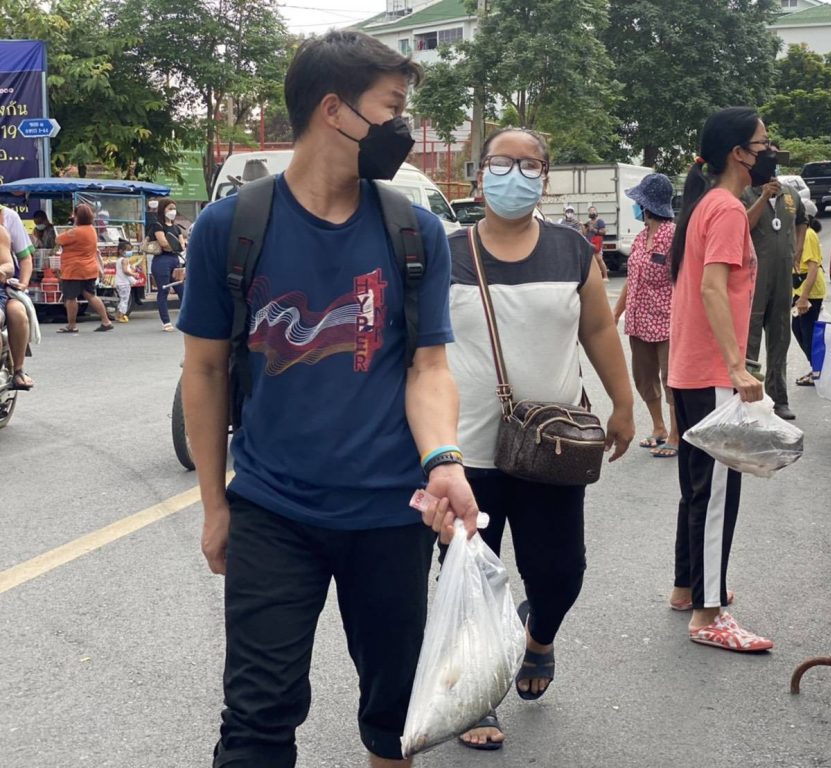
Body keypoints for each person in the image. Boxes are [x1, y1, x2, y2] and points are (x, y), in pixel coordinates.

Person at [178, 30, 479, 768]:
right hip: (273, 511)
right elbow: (205, 373)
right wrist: (216, 505)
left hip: (392, 515)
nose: (403, 129)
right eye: (393, 109)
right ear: (335, 110)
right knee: (255, 719)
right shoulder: (230, 227)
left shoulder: (415, 233)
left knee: (394, 718)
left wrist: (444, 460)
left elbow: (428, 368)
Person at [445, 127, 634, 749]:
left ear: (545, 178)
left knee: (560, 574)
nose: (516, 174)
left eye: (530, 165)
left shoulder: (571, 249)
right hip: (465, 453)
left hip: (551, 449)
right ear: (480, 174)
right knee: (472, 581)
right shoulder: (445, 253)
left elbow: (599, 330)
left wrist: (624, 403)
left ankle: (539, 636)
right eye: (502, 163)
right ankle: (478, 696)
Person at [666, 106, 773, 652]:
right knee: (715, 496)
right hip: (711, 372)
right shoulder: (726, 208)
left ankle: (688, 588)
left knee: (697, 488)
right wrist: (736, 365)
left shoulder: (707, 204)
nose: (769, 151)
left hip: (689, 368)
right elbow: (712, 288)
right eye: (762, 143)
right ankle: (708, 614)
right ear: (739, 153)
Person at [613, 172, 678, 457]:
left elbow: (684, 279)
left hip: (667, 321)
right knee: (644, 377)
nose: (636, 207)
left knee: (671, 379)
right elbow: (632, 279)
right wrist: (616, 313)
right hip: (639, 321)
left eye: (638, 202)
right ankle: (658, 427)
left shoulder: (673, 237)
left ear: (647, 206)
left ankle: (676, 434)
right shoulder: (640, 238)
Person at [741, 143, 807, 420]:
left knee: (780, 336)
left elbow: (802, 220)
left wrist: (798, 249)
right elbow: (743, 225)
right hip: (753, 278)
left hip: (782, 278)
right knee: (749, 338)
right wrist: (763, 197)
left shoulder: (790, 193)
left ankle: (778, 398)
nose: (772, 165)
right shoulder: (744, 193)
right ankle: (746, 399)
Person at [55, 204, 114, 333]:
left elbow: (58, 239)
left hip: (73, 270)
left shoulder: (75, 232)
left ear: (77, 216)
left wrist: (71, 226)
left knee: (70, 298)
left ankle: (72, 325)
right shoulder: (91, 229)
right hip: (89, 268)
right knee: (91, 295)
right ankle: (106, 321)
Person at [1, 206, 37, 388]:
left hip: (5, 285)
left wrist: (23, 283)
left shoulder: (8, 219)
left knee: (16, 312)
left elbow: (24, 259)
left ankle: (18, 370)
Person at [792, 200, 826, 386]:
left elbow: (813, 268)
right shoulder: (799, 235)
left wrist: (804, 298)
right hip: (799, 290)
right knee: (798, 329)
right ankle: (817, 369)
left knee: (808, 335)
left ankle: (819, 371)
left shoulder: (808, 235)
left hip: (809, 292)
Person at [152, 198, 186, 331]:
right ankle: (166, 322)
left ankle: (187, 319)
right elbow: (163, 243)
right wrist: (176, 245)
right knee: (164, 290)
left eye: (174, 208)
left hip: (176, 260)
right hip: (161, 261)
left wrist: (176, 245)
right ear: (163, 209)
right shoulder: (158, 225)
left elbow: (181, 245)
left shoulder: (176, 227)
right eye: (170, 208)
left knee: (182, 290)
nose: (173, 211)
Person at [582, 205, 609, 279]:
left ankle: (605, 276)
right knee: (591, 261)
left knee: (599, 259)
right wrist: (583, 227)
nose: (592, 212)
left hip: (597, 243)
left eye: (593, 210)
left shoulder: (600, 221)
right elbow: (584, 234)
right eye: (590, 211)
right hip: (589, 243)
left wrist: (593, 229)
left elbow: (603, 232)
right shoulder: (588, 222)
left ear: (596, 212)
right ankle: (594, 277)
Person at [114, 240, 137, 323]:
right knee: (125, 300)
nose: (129, 252)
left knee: (122, 300)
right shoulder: (125, 260)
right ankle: (121, 316)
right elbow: (125, 271)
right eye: (128, 250)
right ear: (121, 251)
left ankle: (118, 315)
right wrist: (133, 274)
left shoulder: (119, 260)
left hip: (119, 283)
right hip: (124, 283)